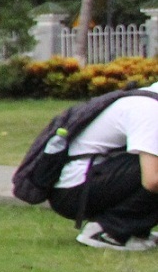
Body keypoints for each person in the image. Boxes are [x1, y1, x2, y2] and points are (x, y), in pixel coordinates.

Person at [42, 82, 158, 250]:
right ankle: (109, 231)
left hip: (90, 180)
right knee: (153, 172)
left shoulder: (147, 99)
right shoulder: (150, 110)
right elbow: (151, 180)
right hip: (74, 189)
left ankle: (136, 232)